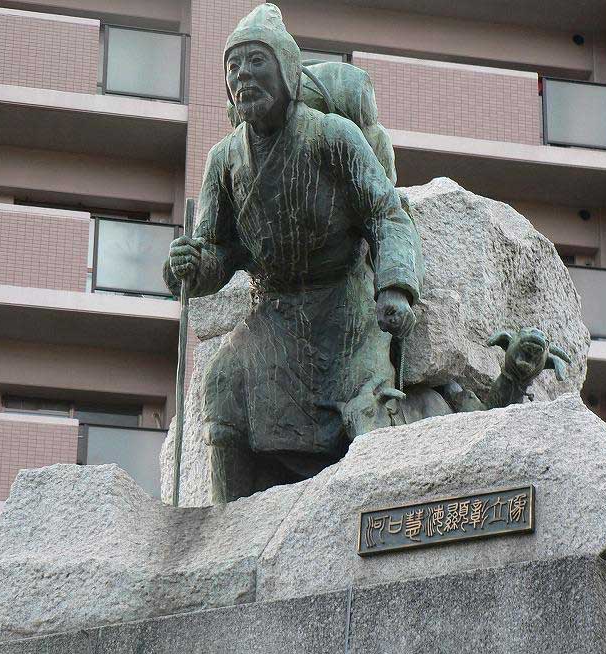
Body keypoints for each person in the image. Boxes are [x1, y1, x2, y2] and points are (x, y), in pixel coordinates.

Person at [164, 3, 422, 502]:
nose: (244, 75)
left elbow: (387, 215)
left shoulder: (332, 137)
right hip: (276, 310)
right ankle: (229, 525)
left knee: (370, 407)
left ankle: (381, 513)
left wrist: (395, 287)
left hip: (344, 305)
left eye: (257, 61)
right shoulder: (224, 161)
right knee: (224, 381)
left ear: (286, 69)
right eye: (234, 67)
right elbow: (219, 251)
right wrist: (193, 268)